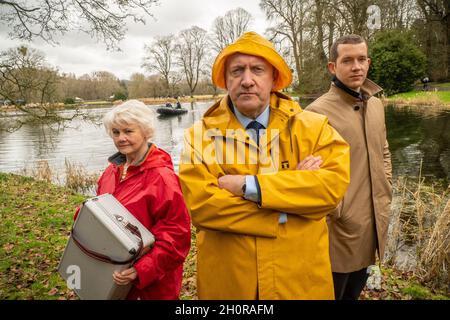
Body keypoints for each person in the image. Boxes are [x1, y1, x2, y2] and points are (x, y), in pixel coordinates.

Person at [178, 32, 350, 299]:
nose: (247, 80)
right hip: (230, 287)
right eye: (237, 71)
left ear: (273, 79)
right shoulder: (198, 137)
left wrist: (250, 186)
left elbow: (331, 190)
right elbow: (203, 208)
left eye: (257, 70)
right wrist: (289, 204)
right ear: (226, 80)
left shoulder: (314, 128)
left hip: (299, 284)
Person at [305, 34, 393, 300]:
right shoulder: (315, 114)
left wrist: (386, 187)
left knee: (354, 292)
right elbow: (310, 175)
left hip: (374, 221)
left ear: (369, 62)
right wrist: (340, 211)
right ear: (333, 67)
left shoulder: (376, 105)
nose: (356, 66)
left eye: (361, 59)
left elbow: (384, 151)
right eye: (347, 60)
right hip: (339, 231)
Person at [85, 99, 191, 299]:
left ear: (146, 132)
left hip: (152, 287)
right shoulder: (111, 171)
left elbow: (176, 237)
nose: (121, 138)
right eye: (116, 132)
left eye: (128, 131)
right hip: (114, 276)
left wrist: (140, 270)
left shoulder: (162, 178)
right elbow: (99, 216)